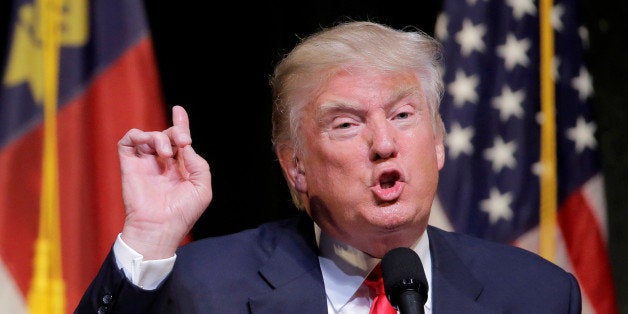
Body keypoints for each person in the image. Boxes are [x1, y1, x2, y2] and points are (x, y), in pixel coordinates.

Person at [76, 21, 581, 313]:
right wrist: (149, 236)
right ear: (295, 166)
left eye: (404, 116)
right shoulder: (202, 289)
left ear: (440, 143)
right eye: (345, 124)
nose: (384, 143)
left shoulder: (536, 294)